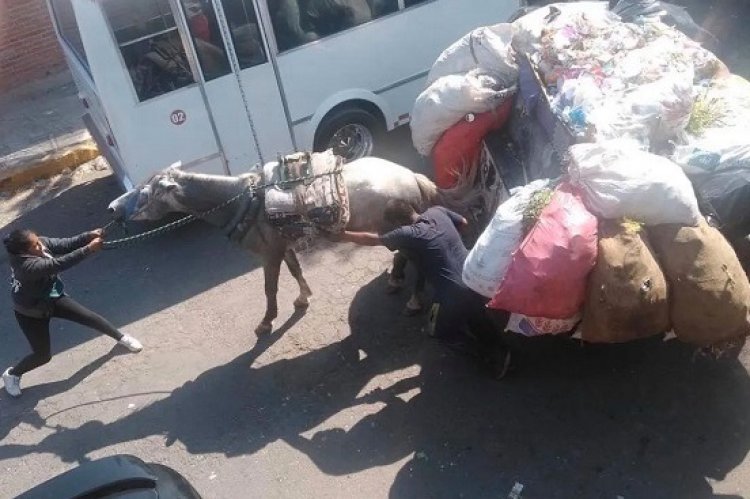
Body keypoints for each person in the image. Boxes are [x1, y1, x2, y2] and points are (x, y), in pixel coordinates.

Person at [333, 200, 512, 379]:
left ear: (397, 221)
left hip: (453, 293)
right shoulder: (438, 211)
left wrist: (341, 235)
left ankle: (487, 357)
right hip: (474, 276)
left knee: (438, 331)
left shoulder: (408, 233)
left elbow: (371, 239)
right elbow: (463, 222)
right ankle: (502, 348)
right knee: (475, 314)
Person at [3, 228, 143, 397]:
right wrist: (89, 249)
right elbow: (58, 264)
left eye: (38, 241)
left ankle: (121, 338)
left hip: (52, 298)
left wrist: (88, 236)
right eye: (35, 246)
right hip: (31, 313)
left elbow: (65, 244)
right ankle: (12, 375)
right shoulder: (25, 267)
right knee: (42, 356)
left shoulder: (38, 243)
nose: (41, 245)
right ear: (23, 252)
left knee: (89, 317)